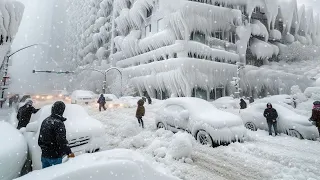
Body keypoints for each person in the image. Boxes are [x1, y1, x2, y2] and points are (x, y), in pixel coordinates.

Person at [38, 101, 75, 169]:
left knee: (46, 175)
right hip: (55, 157)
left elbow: (40, 139)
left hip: (44, 156)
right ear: (62, 111)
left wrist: (44, 149)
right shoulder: (59, 123)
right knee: (56, 175)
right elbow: (61, 140)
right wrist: (69, 153)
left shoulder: (45, 121)